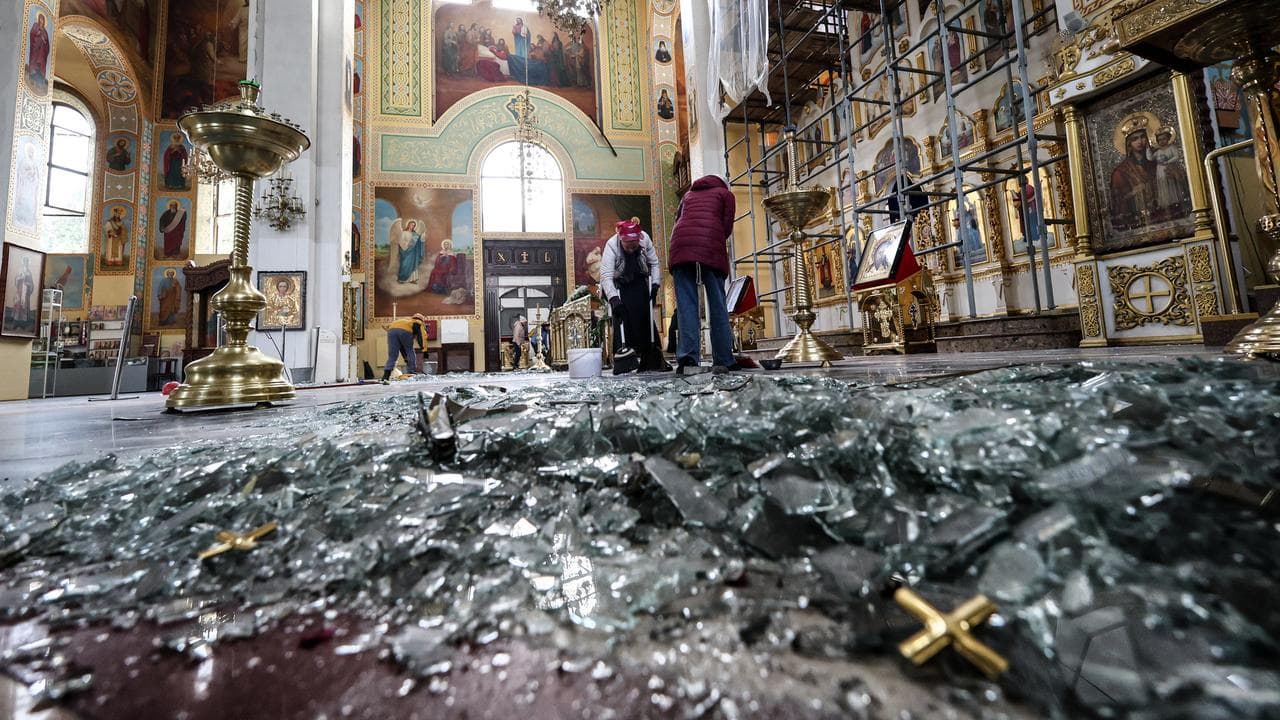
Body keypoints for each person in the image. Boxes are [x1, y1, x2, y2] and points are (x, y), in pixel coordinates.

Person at [669, 175, 737, 373]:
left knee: (686, 306)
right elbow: (726, 227)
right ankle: (724, 359)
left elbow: (678, 219)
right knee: (717, 303)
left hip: (680, 245)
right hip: (709, 243)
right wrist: (711, 238)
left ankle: (688, 360)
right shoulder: (725, 194)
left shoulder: (688, 195)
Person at [600, 219, 663, 371]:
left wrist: (655, 284)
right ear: (621, 239)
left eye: (634, 245)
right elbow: (606, 276)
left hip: (639, 279)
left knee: (645, 316)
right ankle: (625, 357)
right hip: (619, 285)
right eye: (628, 245)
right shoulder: (612, 245)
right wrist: (614, 300)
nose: (631, 248)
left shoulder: (644, 239)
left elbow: (654, 263)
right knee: (623, 318)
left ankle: (648, 355)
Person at [382, 313, 427, 383]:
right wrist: (424, 350)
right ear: (421, 320)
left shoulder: (405, 320)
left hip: (391, 330)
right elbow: (422, 337)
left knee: (392, 355)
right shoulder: (418, 323)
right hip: (405, 331)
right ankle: (411, 371)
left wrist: (406, 358)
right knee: (410, 350)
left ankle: (386, 375)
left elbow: (401, 347)